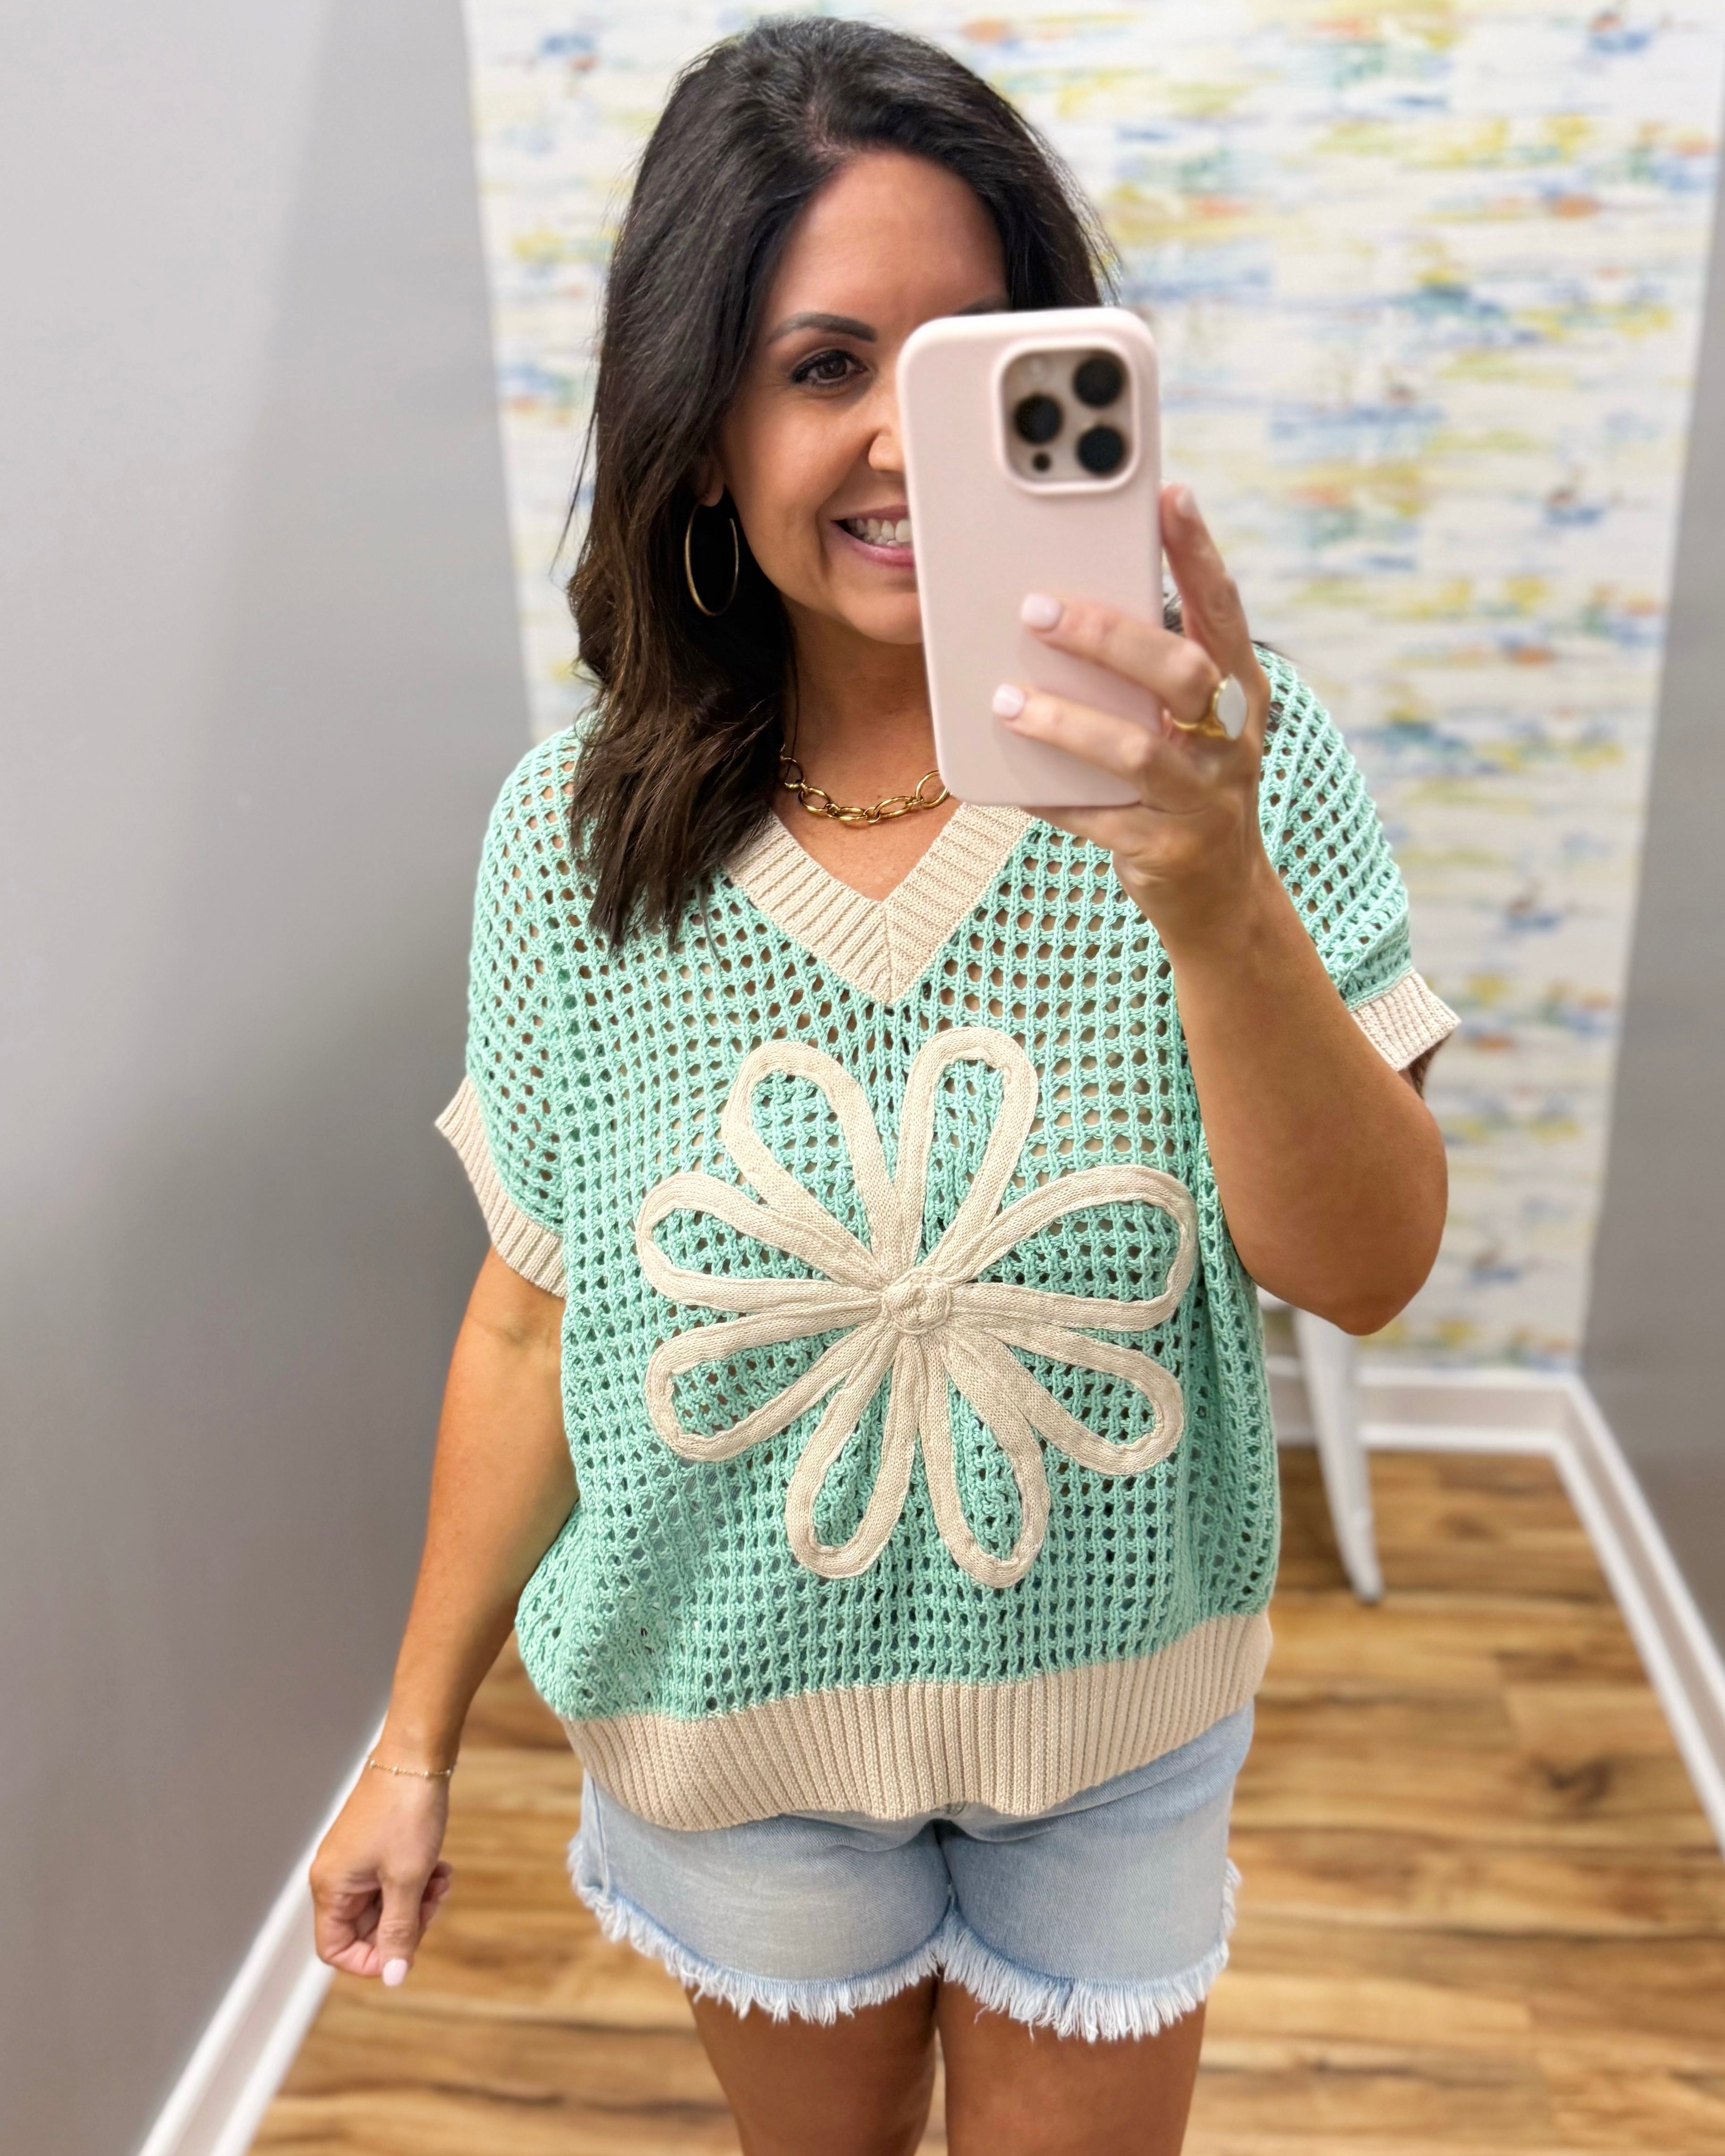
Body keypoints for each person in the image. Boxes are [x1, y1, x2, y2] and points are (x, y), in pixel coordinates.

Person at [309, 19, 1453, 2154]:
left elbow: (1364, 1268)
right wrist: (413, 1742)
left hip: (1115, 1730)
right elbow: (529, 1314)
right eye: (828, 366)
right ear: (701, 414)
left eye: (974, 370)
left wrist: (1206, 880)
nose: (906, 452)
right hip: (723, 1735)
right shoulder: (569, 839)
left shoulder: (1228, 763)